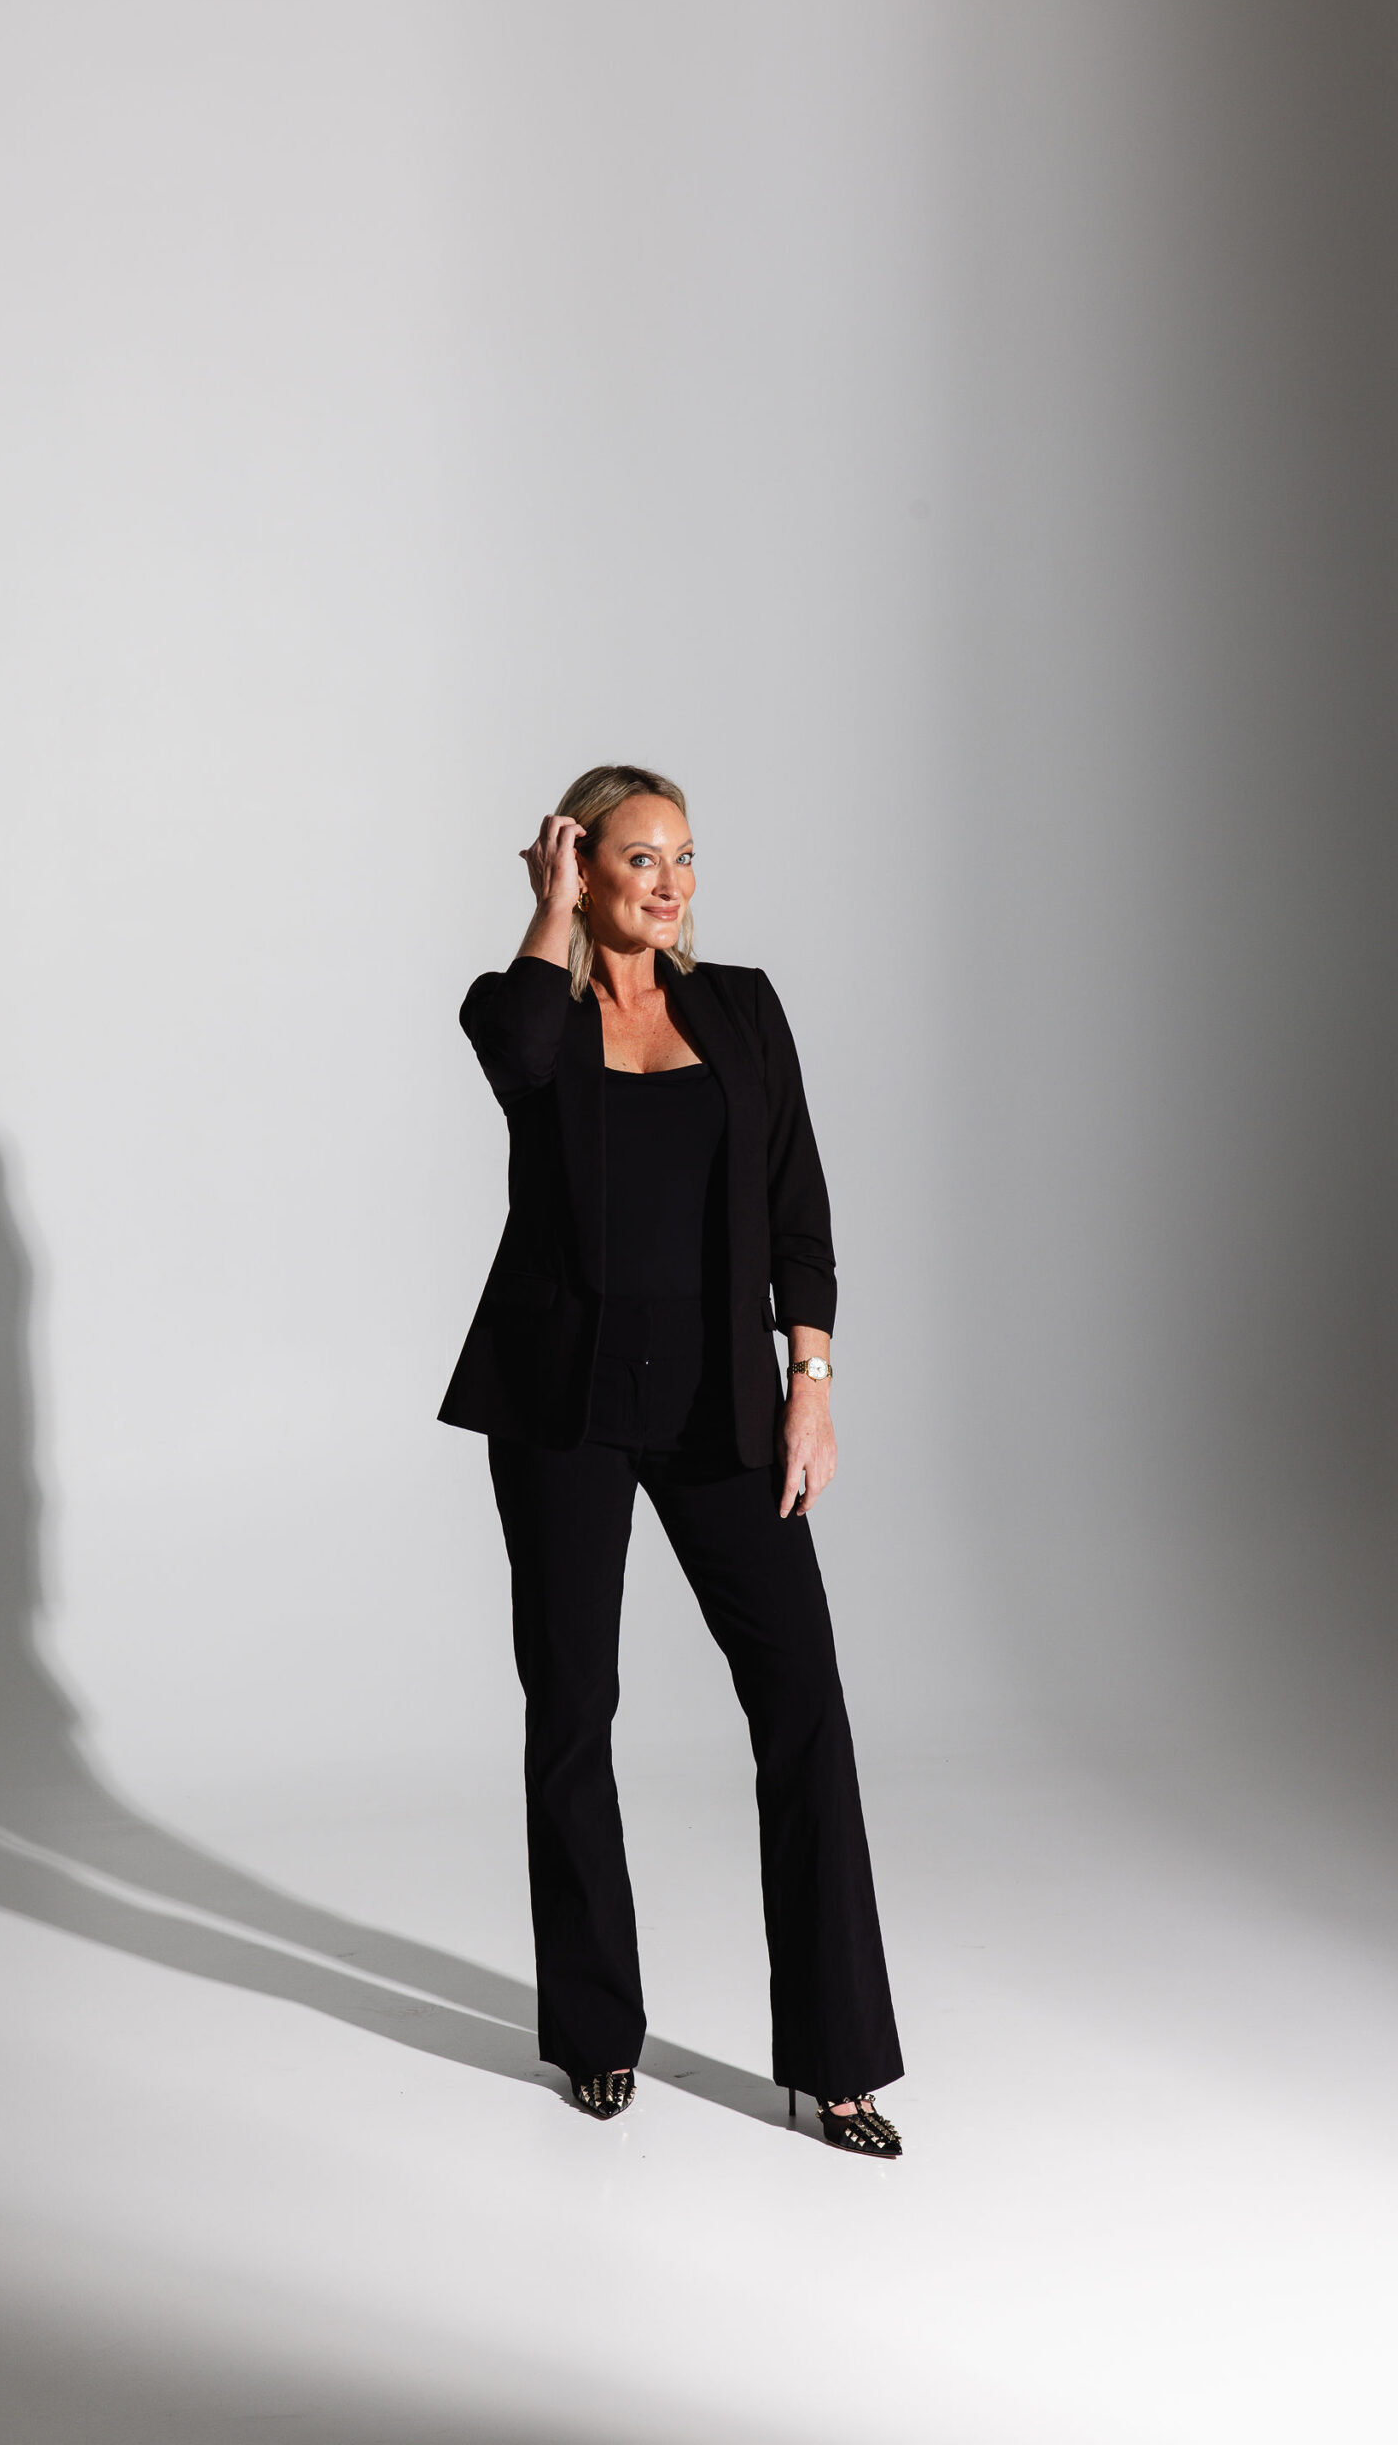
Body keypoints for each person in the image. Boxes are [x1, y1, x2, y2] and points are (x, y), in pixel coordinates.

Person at [438, 765, 903, 2157]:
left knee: (802, 1698)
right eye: (639, 858)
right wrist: (545, 913)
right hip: (561, 1408)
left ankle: (837, 2061)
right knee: (574, 1708)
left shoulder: (742, 1009)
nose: (671, 883)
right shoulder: (525, 1004)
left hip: (722, 1407)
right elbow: (518, 1059)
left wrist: (810, 1386)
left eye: (684, 858)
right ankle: (594, 2033)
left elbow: (798, 1202)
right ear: (580, 867)